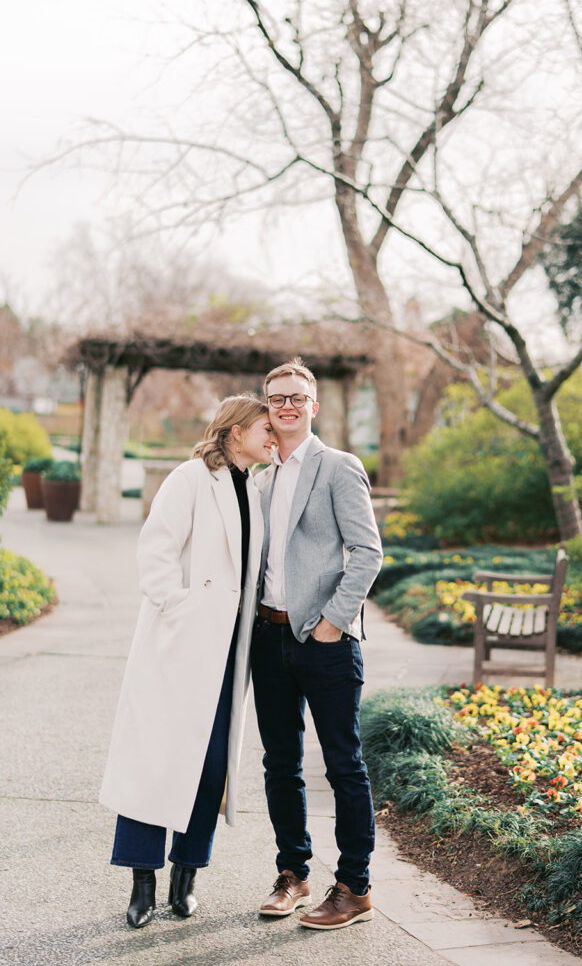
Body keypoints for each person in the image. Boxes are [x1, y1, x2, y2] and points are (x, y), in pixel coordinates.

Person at [99, 395, 274, 929]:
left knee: (211, 766)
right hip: (179, 645)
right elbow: (156, 551)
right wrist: (180, 609)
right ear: (235, 431)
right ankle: (142, 883)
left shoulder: (255, 488)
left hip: (228, 650)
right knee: (156, 760)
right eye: (264, 428)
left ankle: (186, 876)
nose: (272, 436)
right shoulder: (190, 478)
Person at [251, 358, 384, 930]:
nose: (286, 406)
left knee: (343, 765)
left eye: (296, 397)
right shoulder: (259, 477)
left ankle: (354, 888)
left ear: (313, 406)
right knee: (280, 764)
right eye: (276, 398)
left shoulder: (338, 466)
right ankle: (294, 875)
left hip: (325, 641)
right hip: (267, 637)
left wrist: (332, 620)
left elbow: (368, 552)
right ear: (266, 407)